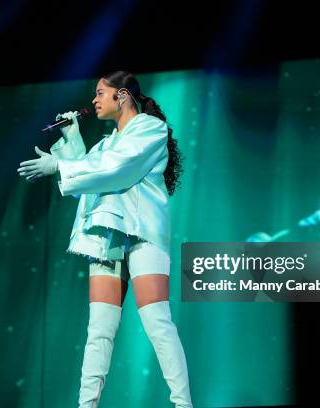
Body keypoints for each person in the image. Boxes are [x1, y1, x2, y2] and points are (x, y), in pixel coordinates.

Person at [18, 71, 192, 407]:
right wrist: (71, 138)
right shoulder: (106, 142)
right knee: (99, 328)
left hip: (143, 233)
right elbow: (88, 172)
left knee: (157, 320)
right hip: (107, 234)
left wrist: (59, 167)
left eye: (100, 93)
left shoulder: (149, 129)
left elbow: (116, 169)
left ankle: (183, 403)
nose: (94, 100)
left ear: (122, 95)